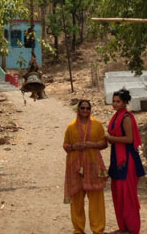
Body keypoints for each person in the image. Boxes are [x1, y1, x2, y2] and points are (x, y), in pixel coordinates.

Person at [63, 100, 109, 234]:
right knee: (76, 201)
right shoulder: (70, 127)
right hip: (75, 167)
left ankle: (98, 229)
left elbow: (104, 143)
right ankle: (78, 230)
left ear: (90, 110)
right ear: (78, 109)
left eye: (87, 108)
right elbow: (65, 145)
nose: (85, 111)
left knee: (96, 200)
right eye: (82, 108)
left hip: (93, 166)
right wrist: (73, 147)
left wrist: (91, 144)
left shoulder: (97, 125)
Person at [105, 89, 145, 234]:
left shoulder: (126, 117)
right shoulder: (116, 116)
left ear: (124, 102)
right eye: (113, 101)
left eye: (118, 101)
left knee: (127, 195)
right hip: (117, 157)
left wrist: (110, 138)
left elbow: (129, 139)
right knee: (119, 194)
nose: (115, 104)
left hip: (127, 160)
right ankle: (124, 227)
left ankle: (132, 228)